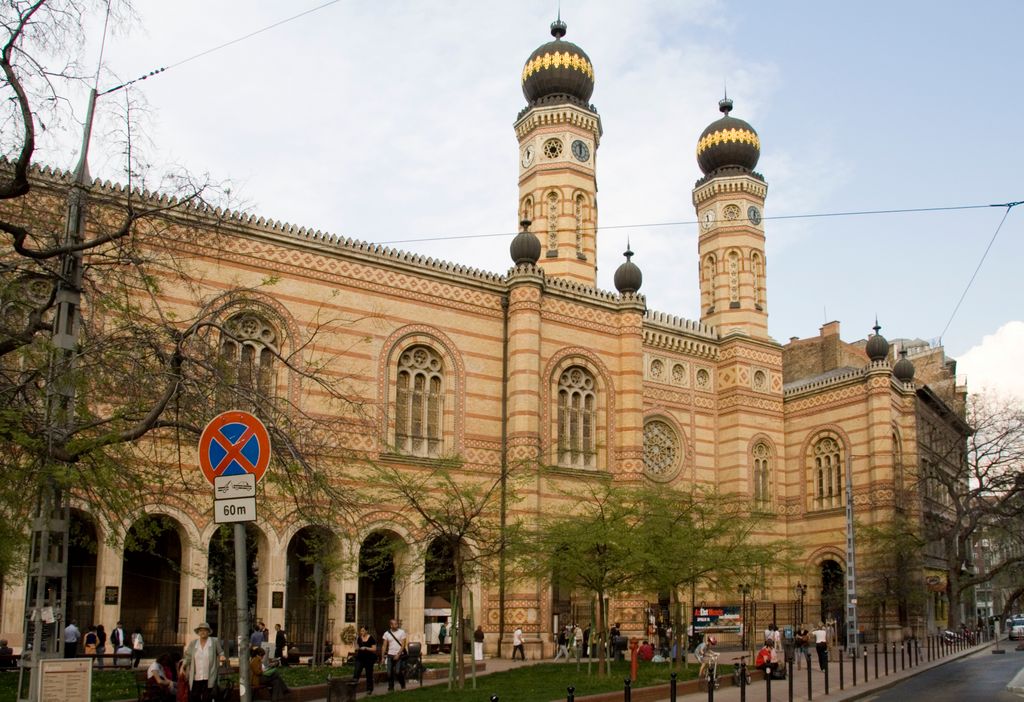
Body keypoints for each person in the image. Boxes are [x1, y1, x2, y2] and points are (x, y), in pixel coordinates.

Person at [182, 622, 226, 702]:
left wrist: (222, 656)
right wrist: (183, 667)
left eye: (205, 630)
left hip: (209, 676)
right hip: (196, 676)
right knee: (194, 696)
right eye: (200, 630)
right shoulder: (193, 643)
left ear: (208, 632)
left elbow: (220, 652)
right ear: (198, 632)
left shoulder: (214, 641)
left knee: (207, 698)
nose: (202, 632)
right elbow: (188, 657)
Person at [381, 618, 407, 692]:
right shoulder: (387, 633)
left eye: (397, 624)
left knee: (398, 672)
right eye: (395, 624)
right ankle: (391, 687)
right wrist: (383, 657)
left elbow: (403, 645)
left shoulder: (402, 632)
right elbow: (384, 646)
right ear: (391, 625)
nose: (396, 625)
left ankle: (402, 684)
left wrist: (398, 654)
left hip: (398, 655)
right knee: (389, 673)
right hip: (390, 655)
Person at [352, 625, 377, 695]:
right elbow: (356, 648)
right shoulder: (359, 638)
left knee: (369, 674)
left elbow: (374, 649)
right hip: (360, 658)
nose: (361, 632)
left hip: (369, 659)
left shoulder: (371, 638)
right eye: (361, 631)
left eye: (363, 631)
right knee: (356, 673)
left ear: (366, 631)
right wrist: (355, 640)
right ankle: (352, 689)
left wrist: (366, 648)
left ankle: (369, 689)